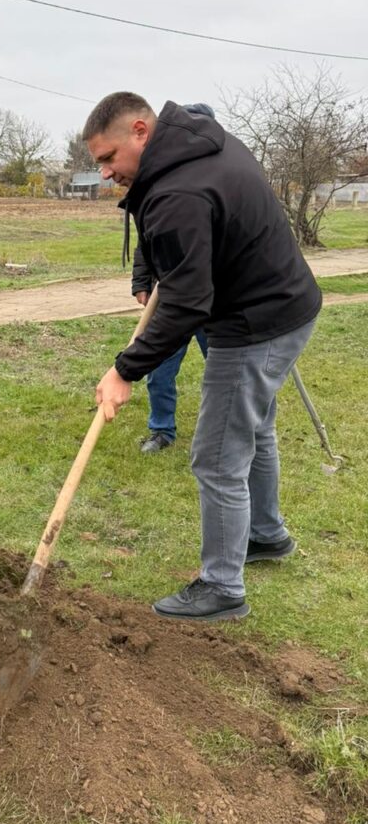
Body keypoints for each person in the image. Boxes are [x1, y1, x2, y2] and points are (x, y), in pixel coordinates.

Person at [84, 93, 321, 621]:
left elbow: (188, 303)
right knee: (254, 428)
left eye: (109, 158)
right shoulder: (199, 144)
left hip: (253, 323)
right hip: (287, 304)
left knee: (217, 456)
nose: (105, 173)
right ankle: (265, 534)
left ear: (141, 131)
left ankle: (222, 587)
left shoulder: (178, 191)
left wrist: (125, 369)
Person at [132, 244, 207, 453]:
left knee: (226, 373)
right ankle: (162, 430)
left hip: (211, 300)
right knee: (159, 370)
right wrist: (141, 282)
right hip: (171, 303)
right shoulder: (160, 220)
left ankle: (227, 429)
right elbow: (146, 243)